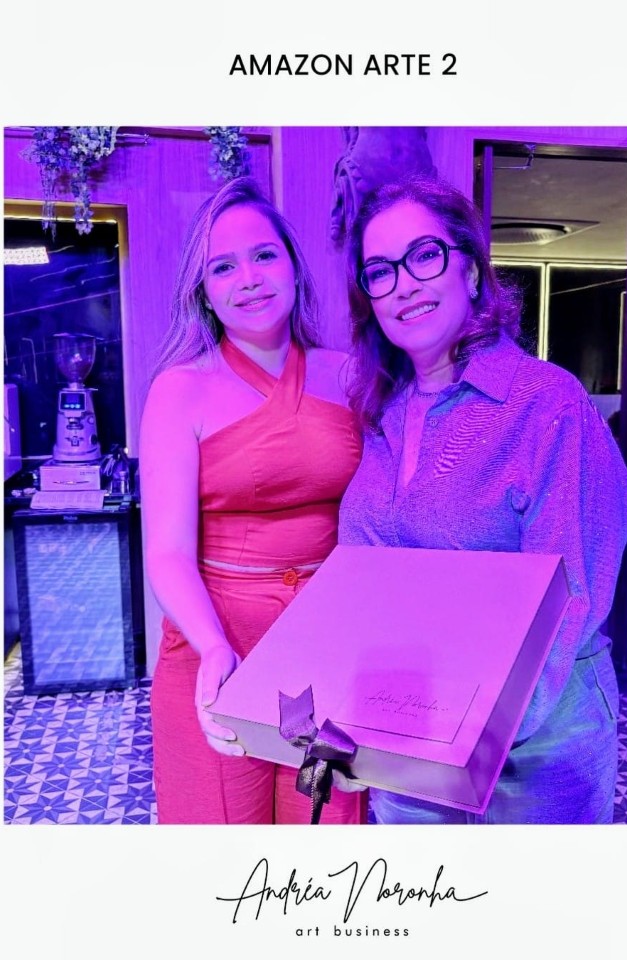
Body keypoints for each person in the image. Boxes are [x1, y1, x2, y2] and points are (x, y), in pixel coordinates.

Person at [337, 175, 627, 824]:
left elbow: (572, 595)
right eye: (380, 271)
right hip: (409, 738)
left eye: (424, 256)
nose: (404, 284)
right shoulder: (383, 413)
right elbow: (366, 583)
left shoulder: (547, 403)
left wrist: (469, 737)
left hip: (537, 747)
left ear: (472, 271)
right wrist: (356, 714)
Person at [139, 177, 367, 824]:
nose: (249, 279)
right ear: (203, 291)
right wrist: (214, 647)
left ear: (293, 266)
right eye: (223, 266)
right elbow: (168, 552)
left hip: (328, 643)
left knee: (322, 825)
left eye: (264, 255)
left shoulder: (348, 374)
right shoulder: (179, 391)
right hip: (217, 637)